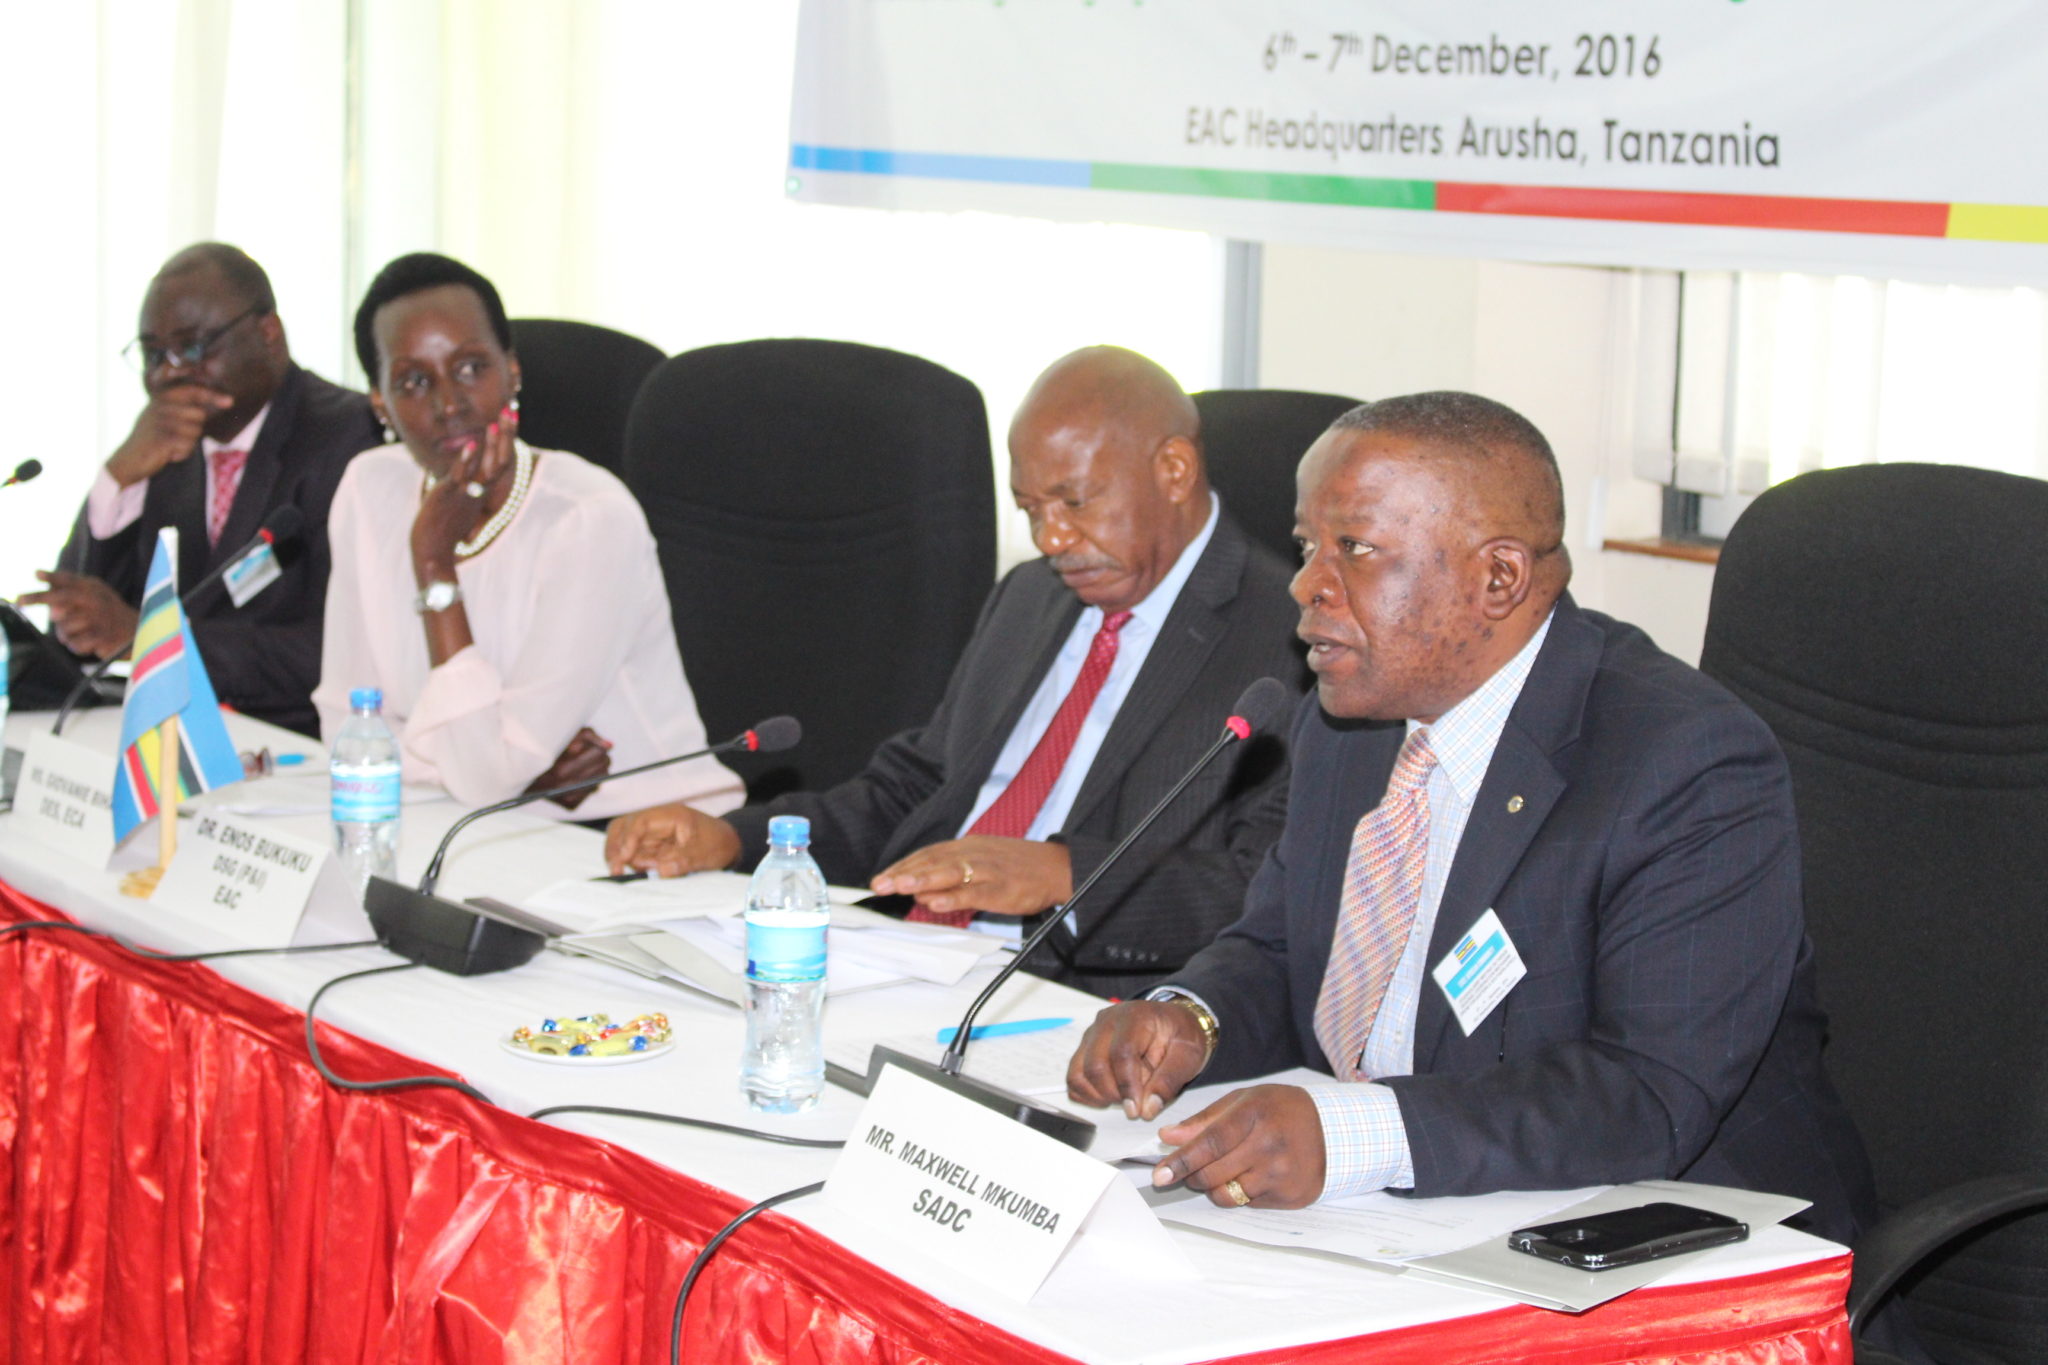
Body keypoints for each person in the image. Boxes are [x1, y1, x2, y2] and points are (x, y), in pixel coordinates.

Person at [1065, 391, 1878, 1245]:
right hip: (1403, 1222)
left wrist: (1351, 1132)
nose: (1306, 583)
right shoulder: (1348, 720)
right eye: (1309, 546)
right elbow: (1280, 943)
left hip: (1667, 1249)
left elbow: (1646, 1093)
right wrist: (1191, 1017)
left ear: (1498, 578)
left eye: (1355, 549)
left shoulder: (1687, 762)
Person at [605, 346, 1304, 998]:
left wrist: (1061, 876)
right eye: (1032, 510)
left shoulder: (1291, 638)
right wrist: (737, 836)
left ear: (1174, 470)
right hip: (904, 957)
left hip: (1074, 994)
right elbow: (915, 787)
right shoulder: (1033, 595)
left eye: (1075, 501)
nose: (1051, 539)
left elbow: (1271, 887)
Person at [314, 252, 740, 819]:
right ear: (379, 404)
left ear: (511, 371)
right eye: (414, 382)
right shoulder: (370, 489)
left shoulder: (589, 519)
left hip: (638, 840)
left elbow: (486, 779)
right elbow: (347, 723)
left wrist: (435, 566)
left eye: (470, 368)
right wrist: (519, 779)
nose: (449, 405)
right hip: (461, 819)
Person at [26, 243, 381, 736]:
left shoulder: (350, 438)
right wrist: (119, 478)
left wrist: (151, 638)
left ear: (268, 333)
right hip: (177, 741)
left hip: (303, 746)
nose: (169, 372)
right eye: (153, 354)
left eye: (192, 347)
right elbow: (77, 644)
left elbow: (336, 649)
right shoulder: (169, 444)